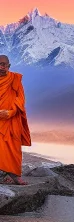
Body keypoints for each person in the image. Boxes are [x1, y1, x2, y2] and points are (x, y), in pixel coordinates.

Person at [0, 54, 31, 185]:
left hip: (12, 120)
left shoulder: (15, 79)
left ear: (9, 66)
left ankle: (14, 174)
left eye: (3, 64)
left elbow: (20, 99)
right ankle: (4, 173)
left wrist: (10, 112)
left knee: (13, 148)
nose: (1, 67)